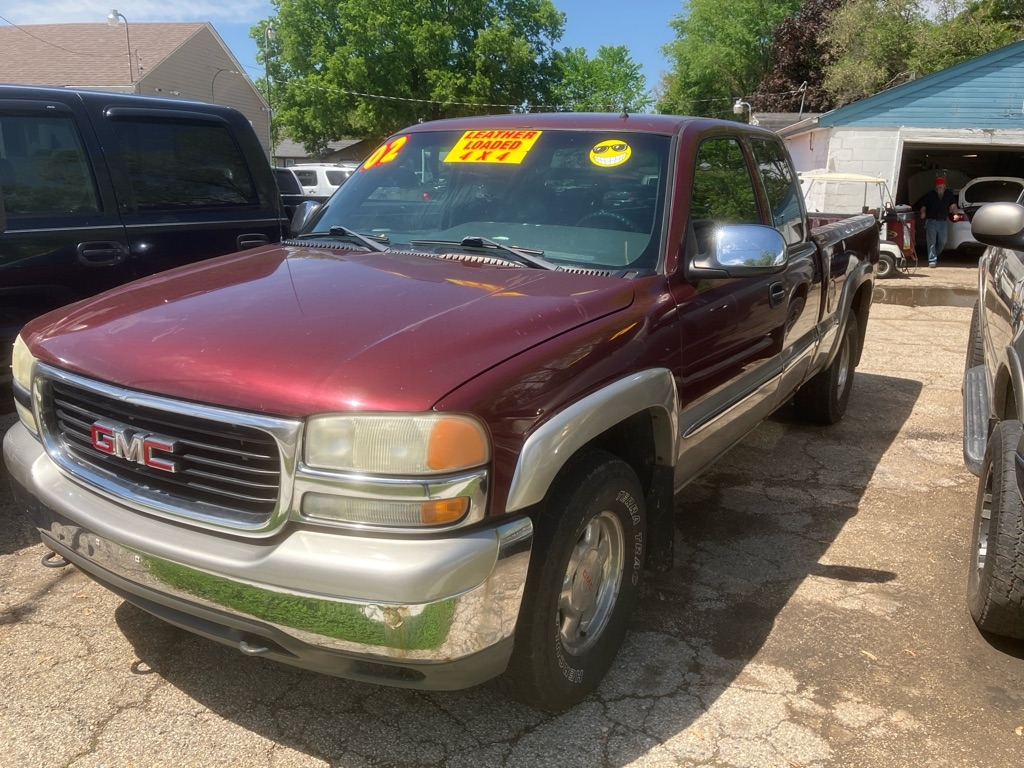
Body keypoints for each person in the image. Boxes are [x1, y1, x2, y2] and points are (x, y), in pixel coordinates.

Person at [914, 176, 958, 268]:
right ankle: (932, 260)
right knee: (931, 242)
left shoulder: (949, 194)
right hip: (931, 221)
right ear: (935, 186)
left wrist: (955, 213)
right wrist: (923, 212)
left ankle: (935, 254)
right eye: (938, 184)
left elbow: (953, 206)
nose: (940, 186)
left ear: (945, 185)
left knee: (943, 241)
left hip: (943, 222)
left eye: (941, 184)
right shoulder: (930, 195)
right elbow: (923, 205)